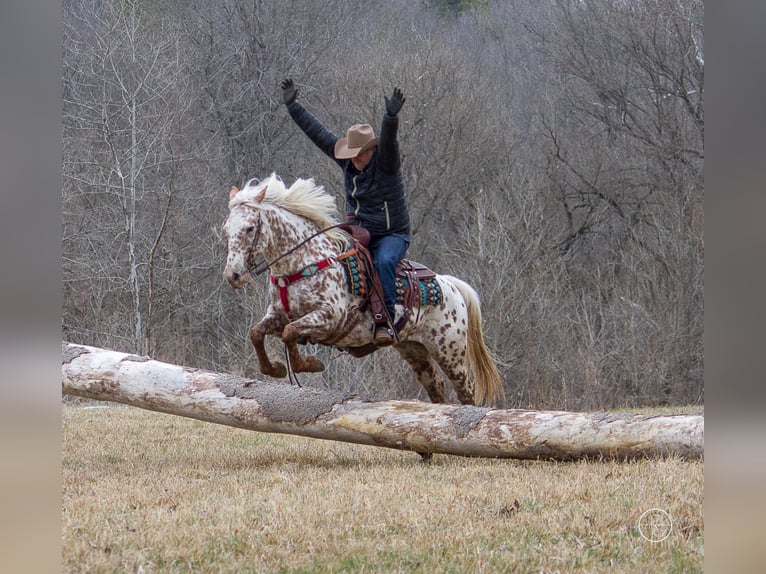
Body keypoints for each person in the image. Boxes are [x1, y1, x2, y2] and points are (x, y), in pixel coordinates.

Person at [280, 78, 410, 346]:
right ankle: (317, 316)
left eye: (359, 154)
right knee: (322, 253)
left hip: (391, 233)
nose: (354, 159)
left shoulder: (386, 164)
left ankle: (386, 320)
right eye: (350, 154)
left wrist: (390, 117)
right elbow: (318, 134)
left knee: (384, 262)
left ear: (372, 151)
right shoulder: (349, 164)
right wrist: (293, 106)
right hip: (358, 229)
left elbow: (390, 142)